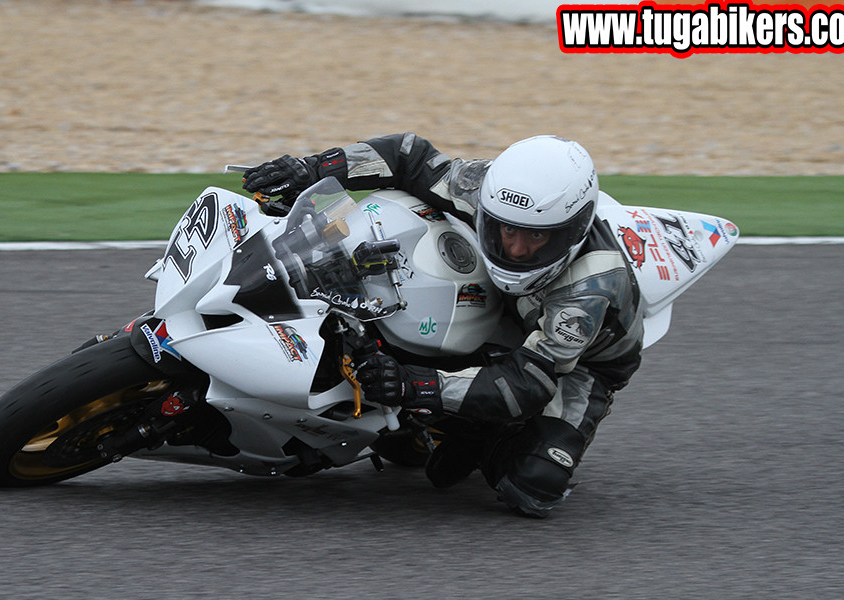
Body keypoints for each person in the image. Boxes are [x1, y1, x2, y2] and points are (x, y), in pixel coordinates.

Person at [242, 133, 644, 517]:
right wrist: (312, 168)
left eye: (536, 237)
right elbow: (407, 156)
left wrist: (413, 385)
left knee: (534, 483)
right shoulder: (487, 190)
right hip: (502, 308)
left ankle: (480, 431)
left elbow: (530, 382)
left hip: (576, 364)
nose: (516, 249)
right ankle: (443, 410)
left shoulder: (590, 290)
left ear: (571, 232)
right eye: (506, 230)